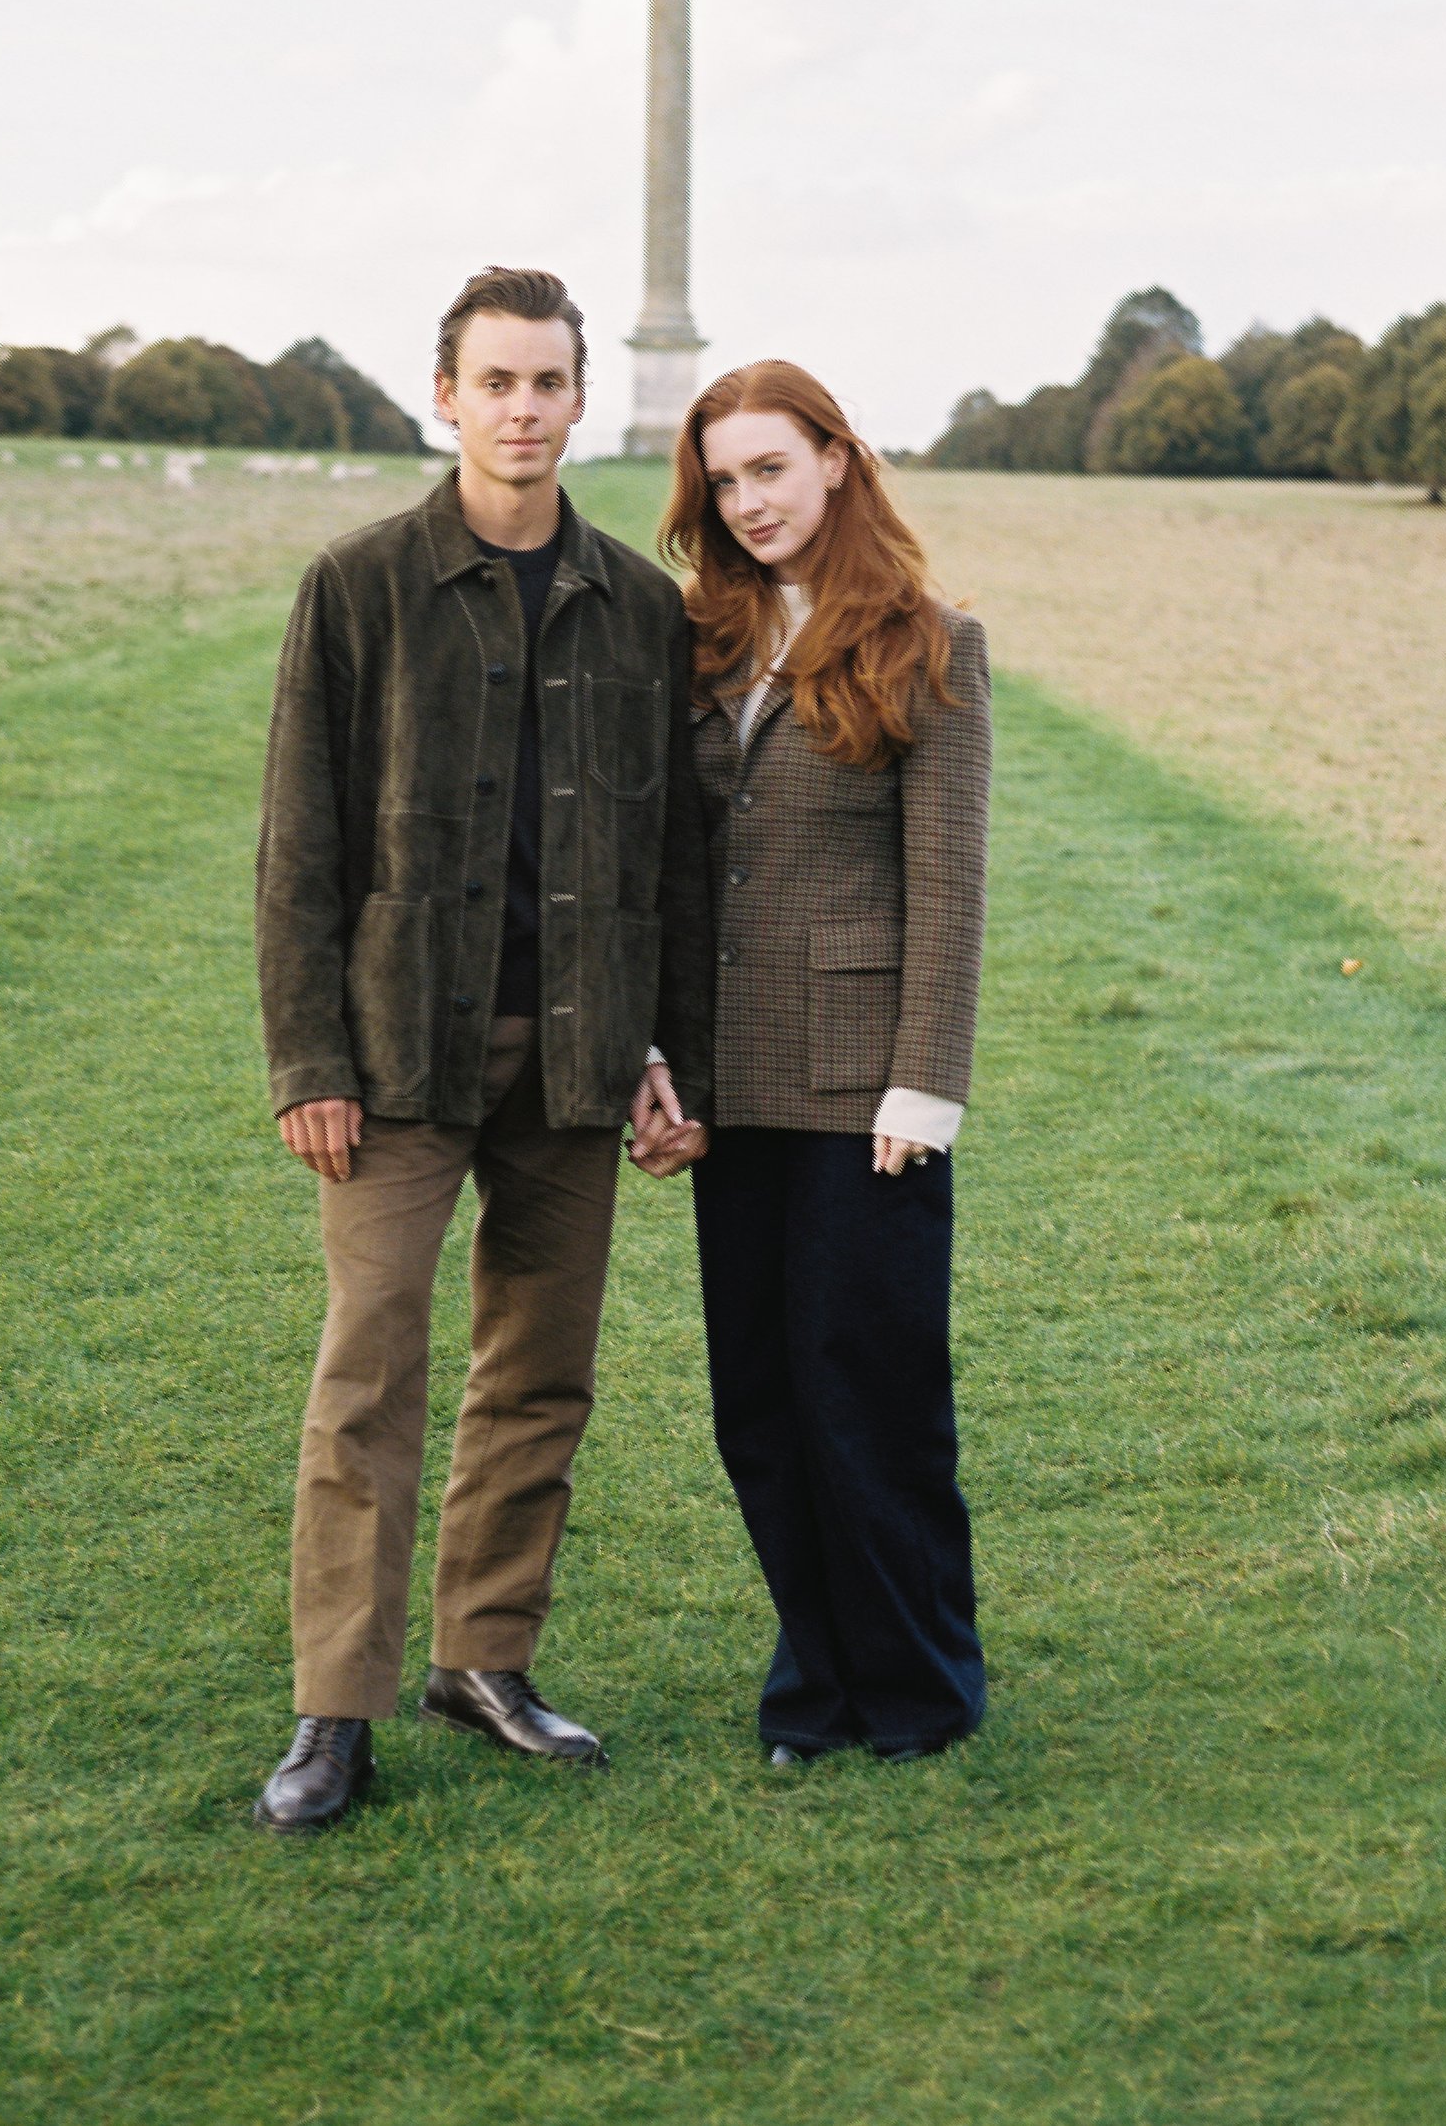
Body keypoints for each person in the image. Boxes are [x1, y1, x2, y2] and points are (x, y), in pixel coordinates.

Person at [251, 265, 711, 1834]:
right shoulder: (361, 583)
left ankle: (484, 1661)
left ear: (583, 400)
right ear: (442, 395)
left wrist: (674, 1057)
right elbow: (298, 846)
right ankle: (335, 1709)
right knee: (368, 1366)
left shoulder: (642, 609)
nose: (522, 409)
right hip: (392, 1058)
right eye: (494, 381)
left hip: (577, 1057)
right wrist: (311, 1057)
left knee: (541, 1371)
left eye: (547, 382)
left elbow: (678, 867)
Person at [657, 358, 990, 1765]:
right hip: (731, 1085)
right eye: (724, 481)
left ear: (839, 459)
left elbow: (949, 882)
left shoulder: (931, 638)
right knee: (764, 1407)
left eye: (770, 469)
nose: (748, 504)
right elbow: (675, 867)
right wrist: (658, 1056)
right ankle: (816, 1683)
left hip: (868, 1091)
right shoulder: (701, 642)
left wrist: (924, 1083)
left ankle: (919, 1687)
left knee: (871, 1398)